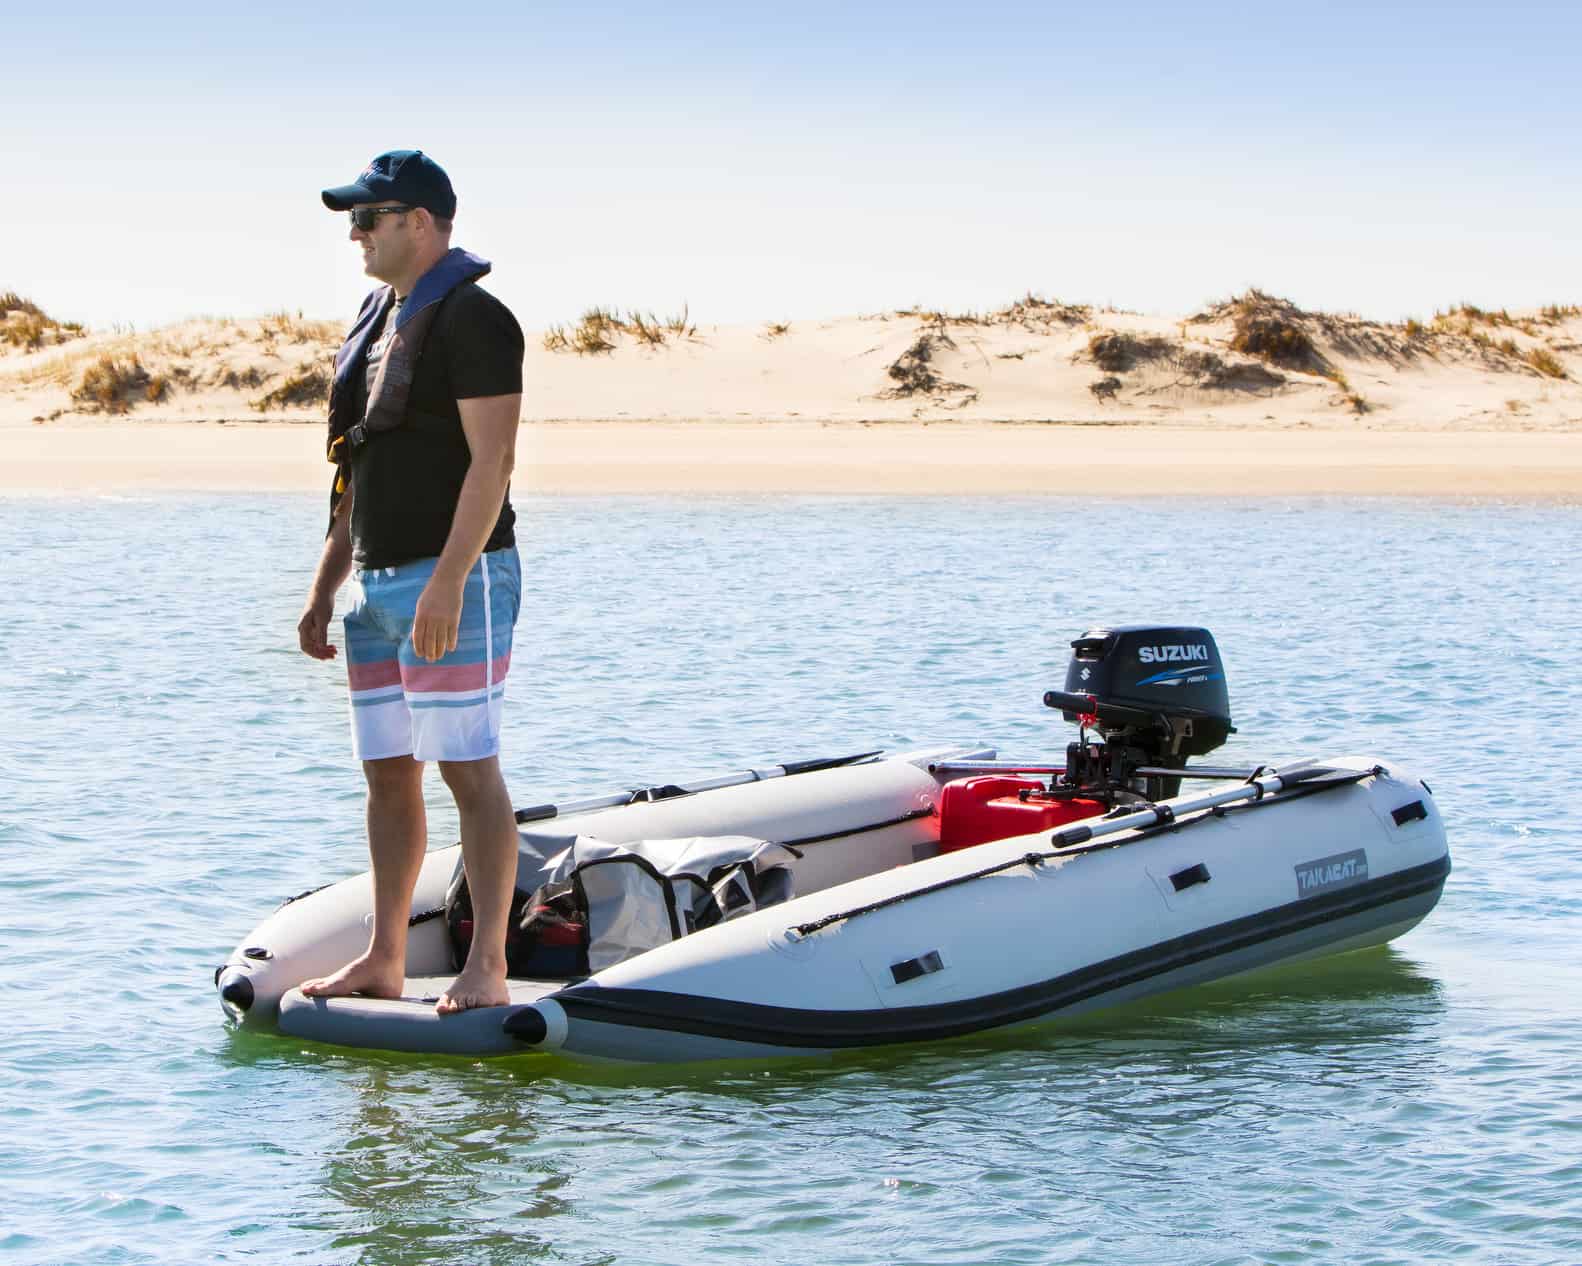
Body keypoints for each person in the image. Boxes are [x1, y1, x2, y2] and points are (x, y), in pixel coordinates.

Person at [295, 149, 524, 1013]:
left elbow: (493, 460)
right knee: (388, 772)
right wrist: (326, 586)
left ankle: (488, 964)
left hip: (453, 578)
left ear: (419, 223)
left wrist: (449, 582)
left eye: (369, 217)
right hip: (374, 585)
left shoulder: (474, 319)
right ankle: (383, 958)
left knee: (467, 767)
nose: (354, 234)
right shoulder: (378, 319)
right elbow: (358, 467)